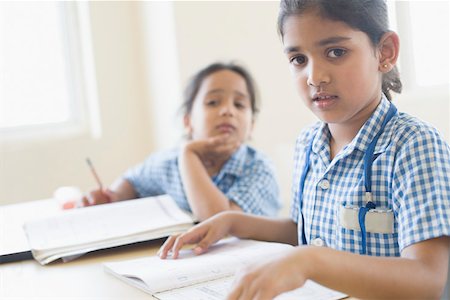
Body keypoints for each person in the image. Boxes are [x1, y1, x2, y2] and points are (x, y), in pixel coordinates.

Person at [158, 1, 450, 299]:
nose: (314, 76)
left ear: (385, 52)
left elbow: (428, 280)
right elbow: (303, 229)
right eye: (298, 59)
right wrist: (232, 222)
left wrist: (309, 260)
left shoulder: (414, 146)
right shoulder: (308, 143)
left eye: (335, 52)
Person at [80, 62, 281, 221]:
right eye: (213, 102)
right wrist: (113, 196)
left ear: (252, 125)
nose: (227, 110)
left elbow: (222, 222)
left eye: (239, 104)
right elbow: (133, 180)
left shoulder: (258, 170)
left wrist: (189, 155)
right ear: (188, 121)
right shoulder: (168, 163)